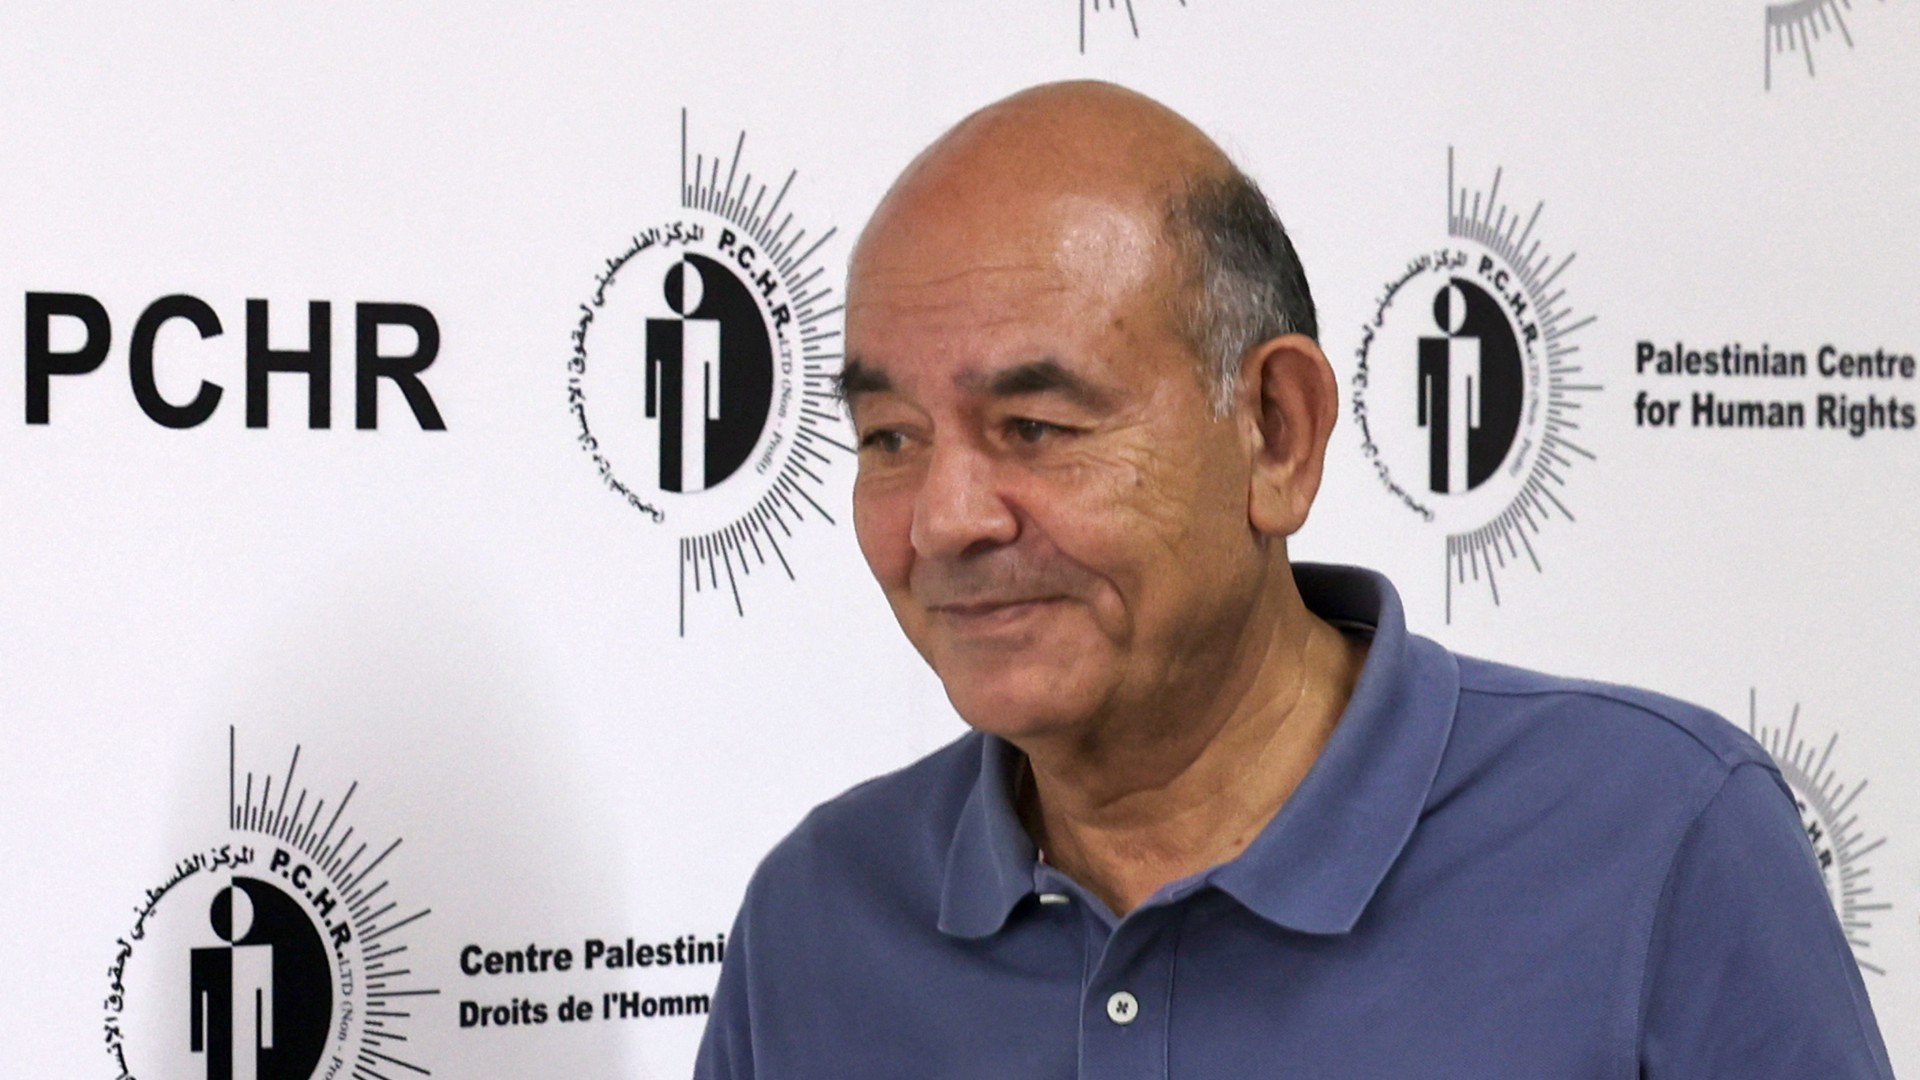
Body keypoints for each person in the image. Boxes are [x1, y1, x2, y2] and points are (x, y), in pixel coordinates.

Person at [692, 81, 1894, 1078]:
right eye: (890, 438)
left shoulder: (1663, 842)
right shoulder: (814, 921)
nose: (946, 520)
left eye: (1036, 426)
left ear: (1276, 432)